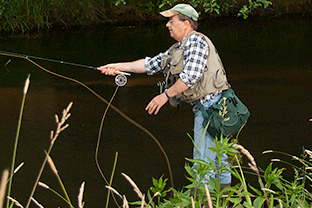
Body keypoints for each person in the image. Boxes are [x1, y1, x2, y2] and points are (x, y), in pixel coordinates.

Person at [98, 4, 231, 188]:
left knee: (203, 166)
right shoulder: (177, 49)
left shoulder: (196, 41)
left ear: (186, 24)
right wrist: (118, 66)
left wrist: (164, 96)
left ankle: (203, 201)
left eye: (171, 21)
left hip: (211, 108)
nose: (167, 25)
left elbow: (191, 76)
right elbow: (149, 65)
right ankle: (224, 199)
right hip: (212, 107)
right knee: (219, 161)